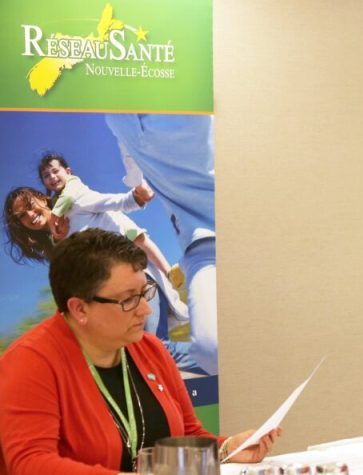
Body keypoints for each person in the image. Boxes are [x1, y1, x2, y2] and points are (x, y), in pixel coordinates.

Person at [0, 229, 281, 475]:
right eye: (129, 300)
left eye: (144, 293)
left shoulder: (149, 348)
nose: (145, 310)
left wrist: (228, 448)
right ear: (79, 309)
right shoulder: (30, 361)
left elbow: (188, 433)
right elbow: (30, 464)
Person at [105, 113, 218, 375]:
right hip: (201, 245)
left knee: (150, 346)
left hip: (249, 223)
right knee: (208, 349)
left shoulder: (191, 100)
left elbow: (140, 237)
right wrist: (136, 185)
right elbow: (128, 155)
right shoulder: (116, 118)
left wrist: (168, 272)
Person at [37, 153, 189, 324]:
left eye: (55, 171)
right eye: (46, 176)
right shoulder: (60, 205)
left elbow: (109, 201)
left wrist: (136, 198)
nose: (52, 177)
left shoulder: (74, 192)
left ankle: (169, 272)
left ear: (68, 171)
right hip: (113, 262)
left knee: (140, 239)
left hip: (122, 236)